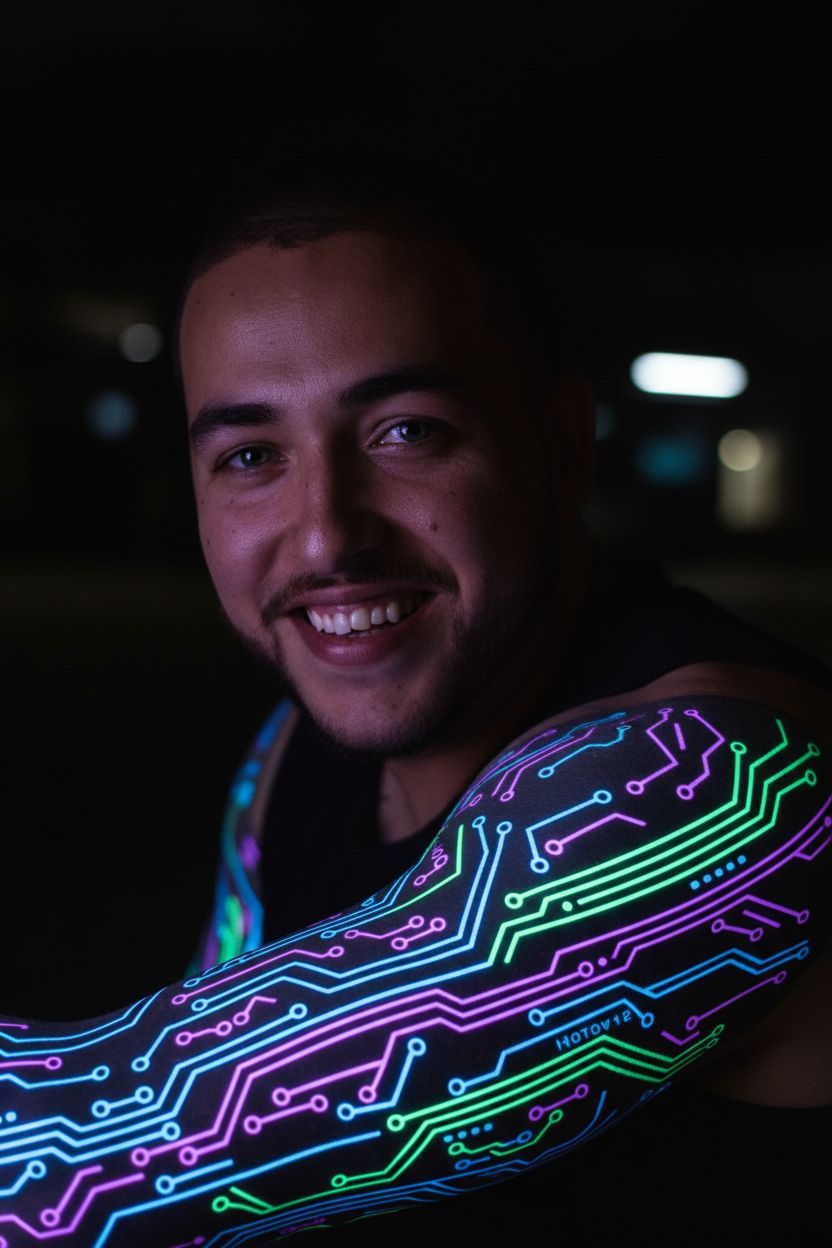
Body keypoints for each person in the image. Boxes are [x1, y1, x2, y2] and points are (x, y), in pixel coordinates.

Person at [1, 165, 830, 1248]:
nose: (326, 537)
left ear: (561, 445)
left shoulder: (713, 786)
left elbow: (78, 1159)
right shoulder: (294, 752)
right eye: (250, 455)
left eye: (407, 433)